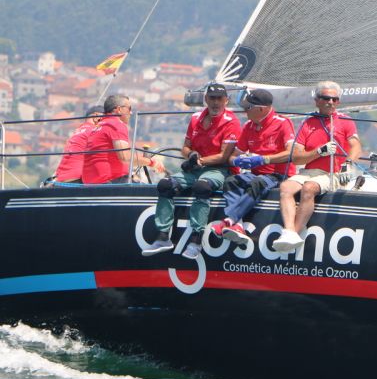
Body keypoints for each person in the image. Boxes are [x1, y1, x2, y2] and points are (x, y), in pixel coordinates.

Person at [142, 83, 241, 259]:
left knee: (202, 187)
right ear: (206, 99)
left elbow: (224, 156)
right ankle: (163, 237)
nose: (216, 102)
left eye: (219, 99)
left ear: (226, 100)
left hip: (219, 169)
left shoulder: (231, 122)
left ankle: (196, 239)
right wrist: (191, 155)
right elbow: (185, 148)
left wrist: (199, 161)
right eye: (212, 98)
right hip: (196, 168)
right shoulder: (196, 118)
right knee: (165, 185)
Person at [272, 81, 362, 252]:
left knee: (309, 188)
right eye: (326, 98)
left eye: (335, 99)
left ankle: (293, 234)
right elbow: (297, 158)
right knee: (285, 187)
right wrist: (319, 152)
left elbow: (356, 146)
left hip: (333, 173)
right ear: (317, 100)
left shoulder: (345, 121)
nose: (331, 102)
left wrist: (348, 164)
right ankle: (289, 232)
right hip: (309, 171)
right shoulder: (308, 123)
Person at [209, 88, 296, 244]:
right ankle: (238, 226)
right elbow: (233, 156)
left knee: (257, 183)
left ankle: (229, 221)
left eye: (248, 107)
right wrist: (237, 161)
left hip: (278, 175)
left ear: (262, 109)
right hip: (256, 174)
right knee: (231, 181)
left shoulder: (283, 123)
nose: (245, 111)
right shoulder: (249, 126)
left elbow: (291, 153)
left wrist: (264, 160)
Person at [83, 94, 164, 184]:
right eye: (129, 108)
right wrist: (151, 162)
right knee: (154, 190)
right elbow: (125, 157)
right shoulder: (116, 124)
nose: (131, 113)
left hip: (91, 182)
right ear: (119, 109)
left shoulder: (98, 127)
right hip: (110, 181)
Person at [53, 105, 103, 183]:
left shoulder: (77, 132)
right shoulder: (95, 131)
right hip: (78, 179)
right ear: (96, 116)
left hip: (60, 180)